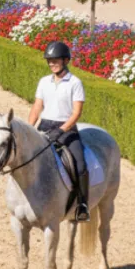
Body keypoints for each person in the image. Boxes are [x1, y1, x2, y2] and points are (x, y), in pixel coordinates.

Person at [27, 41, 89, 222]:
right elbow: (37, 106)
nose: (52, 63)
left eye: (55, 60)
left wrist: (60, 130)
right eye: (49, 60)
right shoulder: (44, 82)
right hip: (45, 125)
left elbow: (76, 113)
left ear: (65, 60)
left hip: (67, 128)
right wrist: (30, 127)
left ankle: (83, 204)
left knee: (80, 165)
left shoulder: (75, 83)